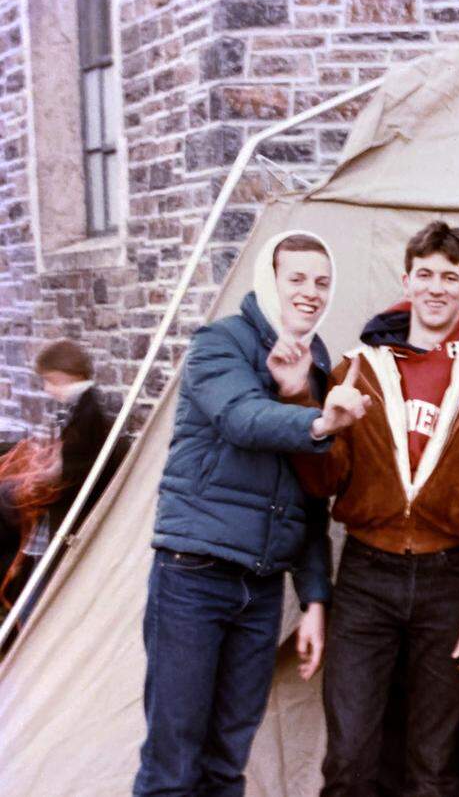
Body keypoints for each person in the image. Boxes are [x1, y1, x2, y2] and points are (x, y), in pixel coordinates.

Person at [287, 220, 459, 797]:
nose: (435, 288)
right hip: (367, 575)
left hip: (451, 577)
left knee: (434, 763)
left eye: (450, 277)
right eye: (425, 274)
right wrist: (314, 413)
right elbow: (322, 483)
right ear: (406, 281)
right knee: (349, 759)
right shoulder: (359, 367)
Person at [134, 232, 369, 797]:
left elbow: (311, 499)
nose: (310, 292)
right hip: (194, 575)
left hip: (260, 589)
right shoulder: (219, 343)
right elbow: (241, 419)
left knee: (226, 762)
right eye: (297, 278)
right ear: (269, 280)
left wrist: (315, 600)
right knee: (173, 763)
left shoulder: (317, 371)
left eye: (322, 282)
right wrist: (318, 421)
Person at [0, 340, 125, 615]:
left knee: (40, 590)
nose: (47, 389)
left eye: (49, 381)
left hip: (67, 515)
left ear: (64, 376)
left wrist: (41, 475)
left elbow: (76, 469)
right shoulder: (83, 409)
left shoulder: (88, 414)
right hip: (62, 512)